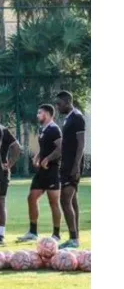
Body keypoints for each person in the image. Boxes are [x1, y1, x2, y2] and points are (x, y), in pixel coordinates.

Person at [18, 104, 62, 243]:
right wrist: (37, 156)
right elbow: (45, 147)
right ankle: (33, 232)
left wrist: (48, 159)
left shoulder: (54, 129)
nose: (37, 115)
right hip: (41, 172)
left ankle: (56, 234)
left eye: (40, 113)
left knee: (53, 202)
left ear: (48, 114)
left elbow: (61, 147)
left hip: (52, 170)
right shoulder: (43, 129)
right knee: (31, 198)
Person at [55, 91, 86, 249]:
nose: (57, 107)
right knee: (72, 201)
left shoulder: (77, 117)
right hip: (66, 164)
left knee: (64, 200)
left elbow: (81, 144)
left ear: (67, 102)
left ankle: (73, 239)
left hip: (72, 165)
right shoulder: (68, 119)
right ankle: (75, 236)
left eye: (59, 104)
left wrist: (76, 166)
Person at [0, 107, 20, 245]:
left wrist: (10, 163)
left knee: (0, 201)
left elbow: (17, 147)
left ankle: (0, 234)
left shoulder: (3, 130)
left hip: (1, 171)